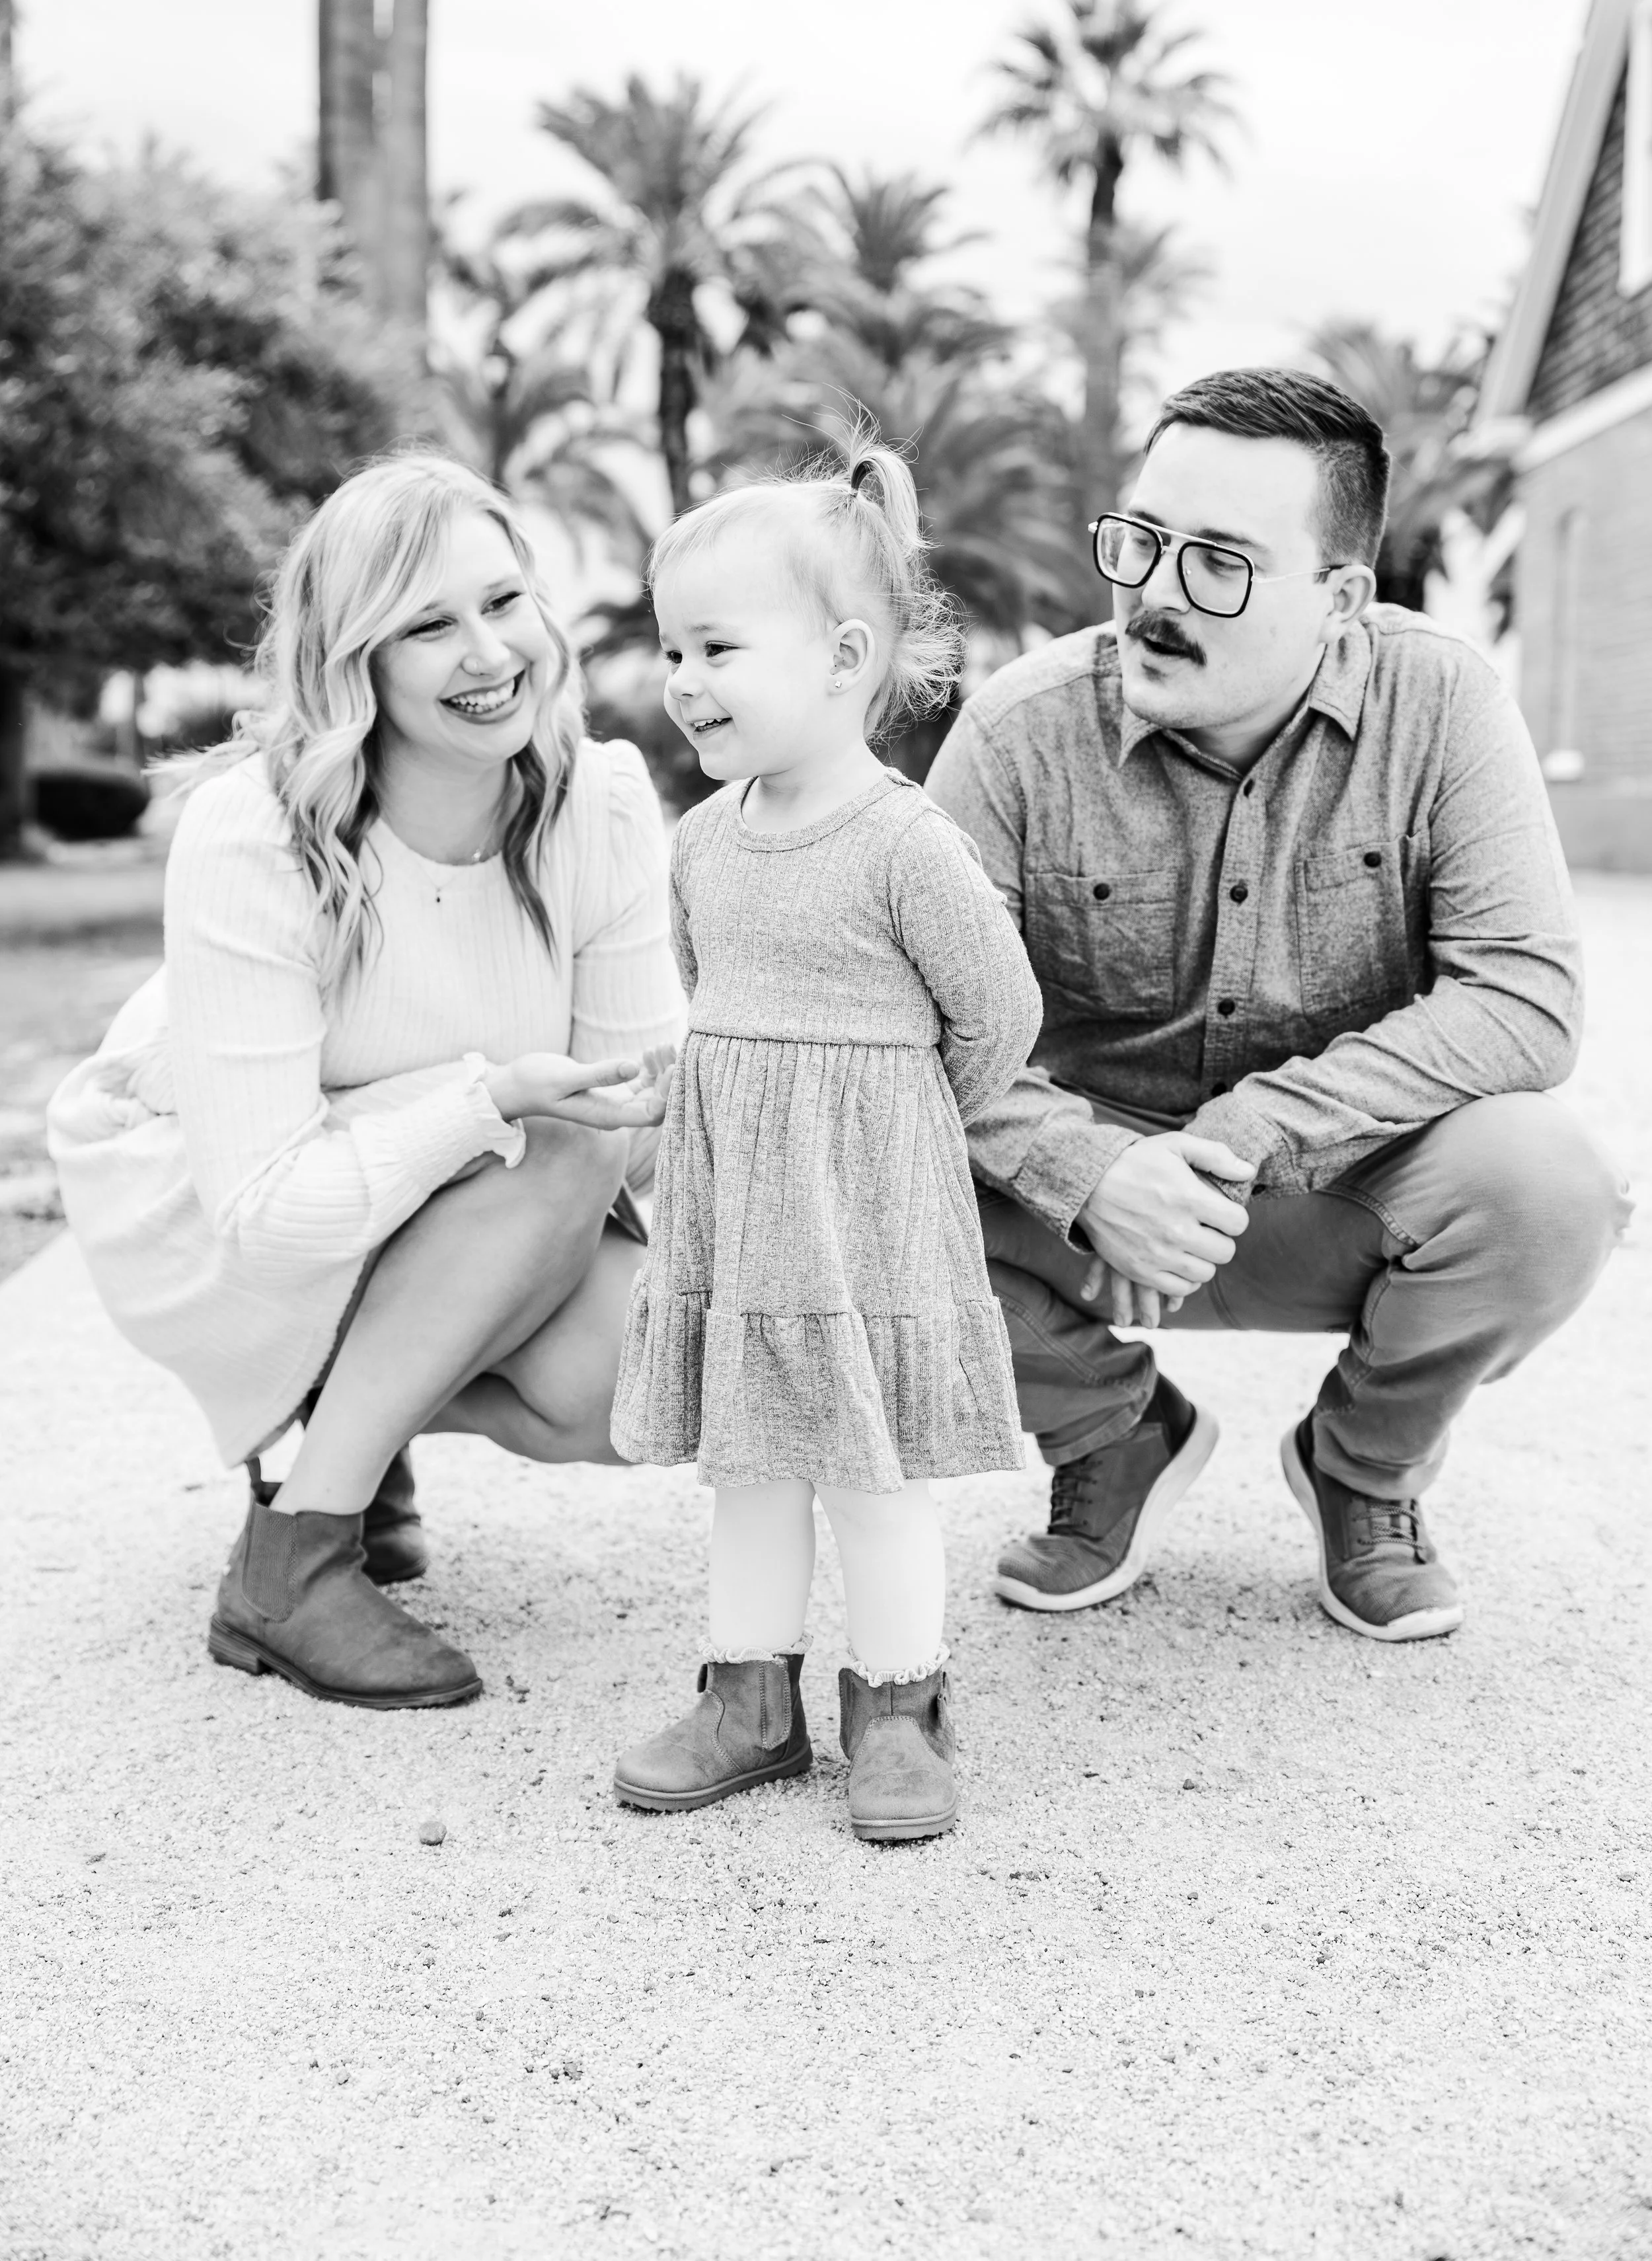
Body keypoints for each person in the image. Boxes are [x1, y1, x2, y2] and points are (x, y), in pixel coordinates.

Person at [926, 367, 1630, 1644]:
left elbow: (1527, 995)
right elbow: (912, 1031)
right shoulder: (1016, 736)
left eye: (1218, 563)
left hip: (1334, 1191)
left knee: (1550, 1185)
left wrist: (1246, 1137)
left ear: (1343, 598)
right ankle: (1113, 1433)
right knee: (845, 1150)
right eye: (1142, 541)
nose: (1153, 592)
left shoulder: (1445, 703)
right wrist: (1088, 1170)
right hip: (1078, 1229)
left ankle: (1363, 1468)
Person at [49, 453, 681, 1708]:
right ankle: (293, 1559)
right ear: (357, 663)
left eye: (504, 601)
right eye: (429, 625)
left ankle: (351, 1415)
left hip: (453, 1191)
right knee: (552, 1140)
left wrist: (620, 1101)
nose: (489, 652)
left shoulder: (601, 802)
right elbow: (268, 1217)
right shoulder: (257, 833)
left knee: (650, 1381)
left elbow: (638, 1124)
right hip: (207, 1197)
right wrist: (490, 1099)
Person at [606, 436, 1043, 1841]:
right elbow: (708, 1001)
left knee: (873, 1467)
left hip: (867, 1208)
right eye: (673, 648)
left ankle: (898, 1705)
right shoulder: (699, 843)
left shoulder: (905, 844)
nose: (683, 681)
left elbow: (994, 1016)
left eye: (717, 646)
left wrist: (897, 1127)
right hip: (740, 1211)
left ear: (843, 656)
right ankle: (747, 1698)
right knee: (749, 1458)